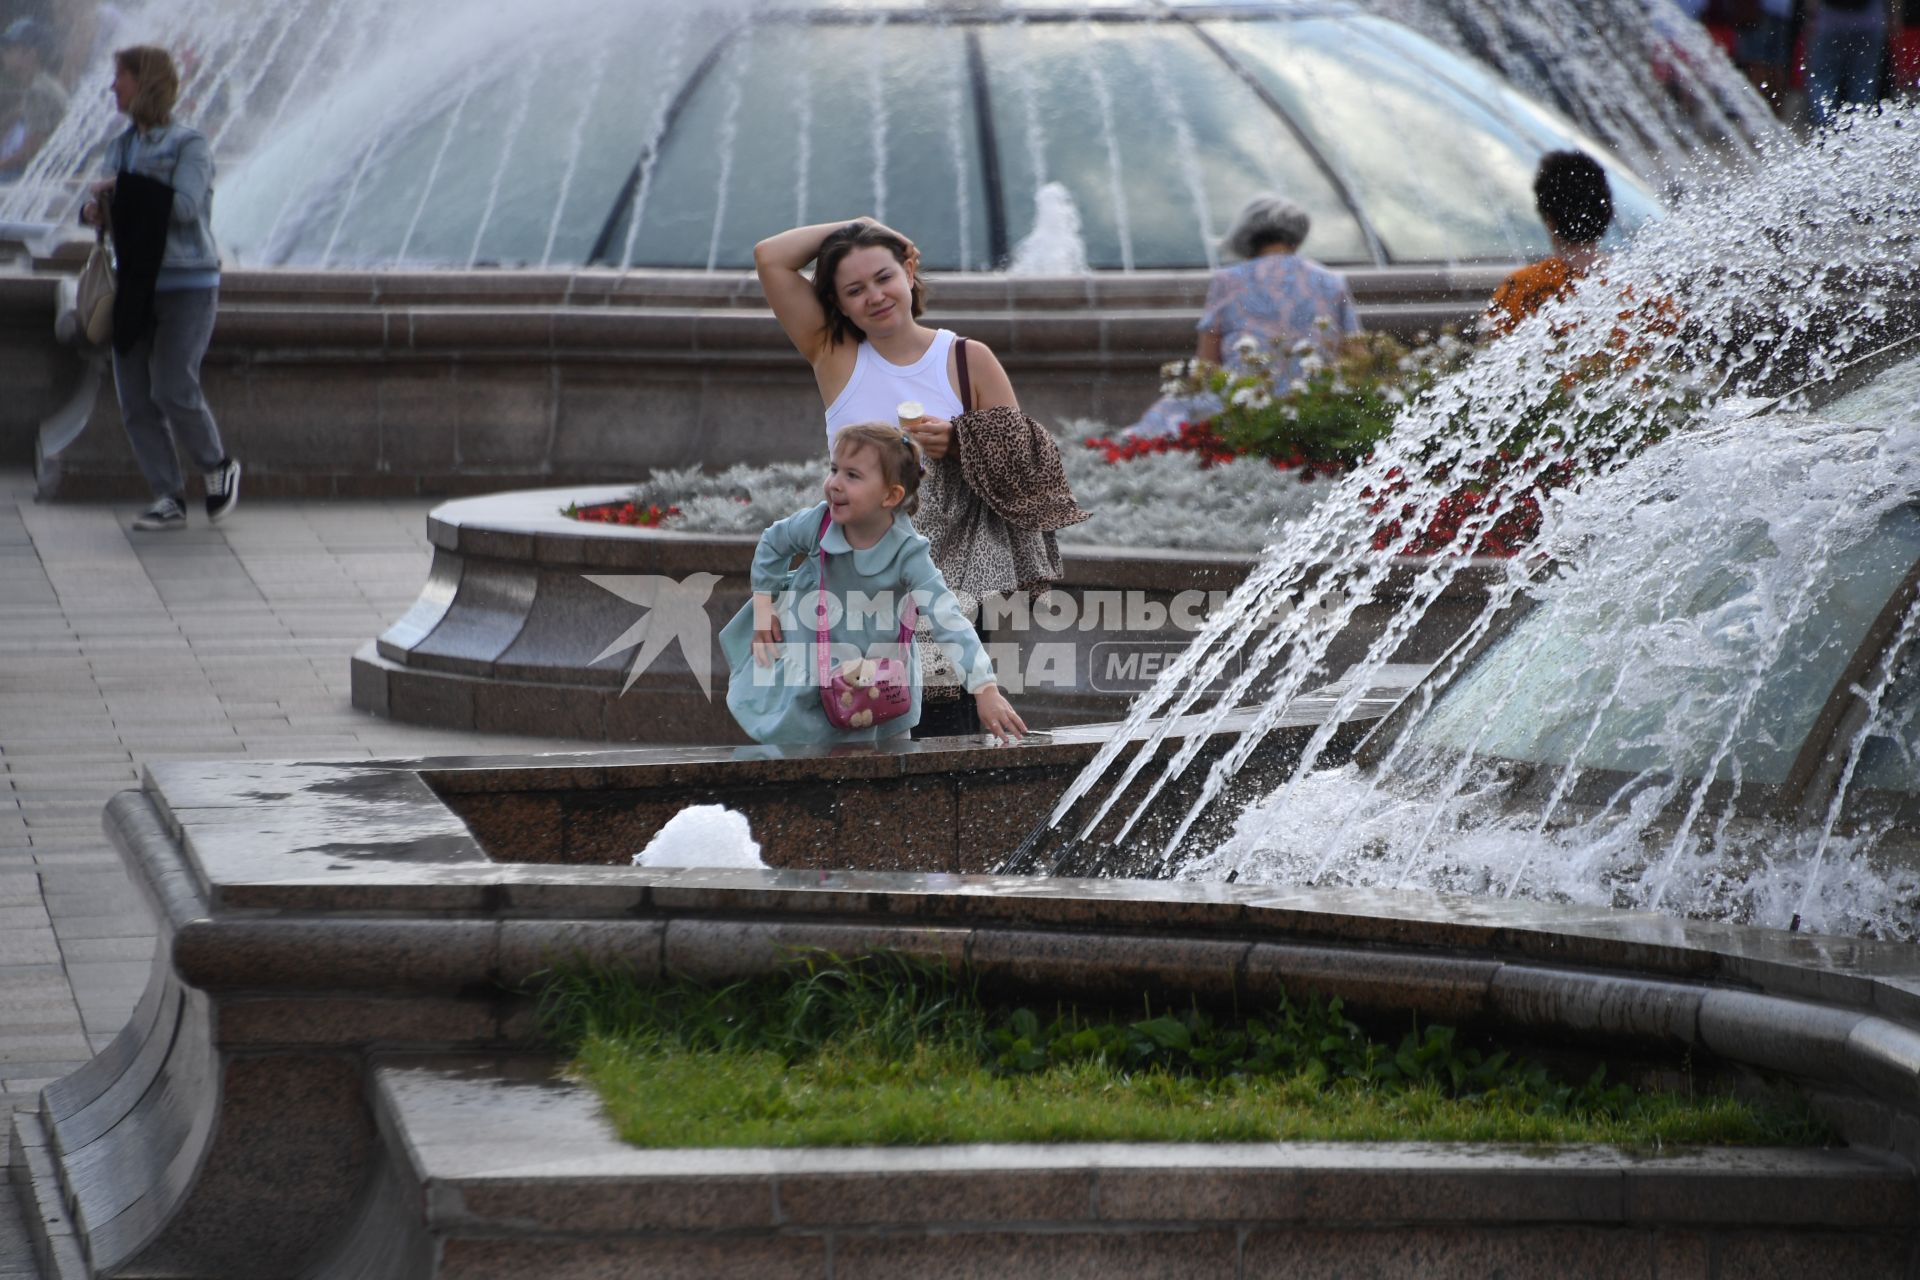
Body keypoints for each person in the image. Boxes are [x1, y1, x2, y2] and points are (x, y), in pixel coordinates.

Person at [754, 218, 1086, 738]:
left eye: (884, 277)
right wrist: (865, 226)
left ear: (909, 271)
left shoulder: (965, 359)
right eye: (854, 290)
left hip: (946, 585)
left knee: (939, 736)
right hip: (852, 596)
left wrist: (960, 443)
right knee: (847, 730)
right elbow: (770, 257)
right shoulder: (836, 355)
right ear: (838, 304)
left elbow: (1026, 474)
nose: (875, 296)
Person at [719, 422, 1026, 746]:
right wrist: (765, 606)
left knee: (888, 760)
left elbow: (947, 617)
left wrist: (984, 688)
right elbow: (773, 543)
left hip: (879, 684)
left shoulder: (909, 553)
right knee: (800, 746)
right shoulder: (819, 524)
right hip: (812, 664)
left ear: (890, 495)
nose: (835, 484)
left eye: (852, 476)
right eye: (834, 469)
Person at [80, 44, 238, 532]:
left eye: (120, 78)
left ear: (143, 81)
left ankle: (217, 466)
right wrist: (93, 211)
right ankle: (167, 495)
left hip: (187, 282)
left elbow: (187, 207)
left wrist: (121, 192)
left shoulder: (189, 144)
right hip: (135, 285)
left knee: (172, 386)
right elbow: (112, 209)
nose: (112, 88)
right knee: (133, 399)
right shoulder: (121, 147)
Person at [1125, 193, 1358, 439]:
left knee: (1163, 422)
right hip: (1315, 404)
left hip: (1244, 406)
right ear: (1298, 237)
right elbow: (1354, 353)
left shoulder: (1228, 280)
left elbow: (1206, 366)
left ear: (1247, 238)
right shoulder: (1332, 281)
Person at [1484, 151, 1614, 338]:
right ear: (1605, 213)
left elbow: (1487, 353)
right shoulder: (1634, 288)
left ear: (1549, 219)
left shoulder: (1522, 287)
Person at [0, 18, 69, 179]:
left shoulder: (37, 92)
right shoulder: (46, 84)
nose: (3, 53)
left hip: (43, 177)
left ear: (31, 54)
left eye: (10, 49)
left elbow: (32, 152)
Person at [1805, 0, 1892, 126]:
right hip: (1870, 23)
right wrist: (1893, 19)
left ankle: (1824, 131)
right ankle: (1858, 134)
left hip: (1830, 23)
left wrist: (1809, 16)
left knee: (1823, 82)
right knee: (1863, 83)